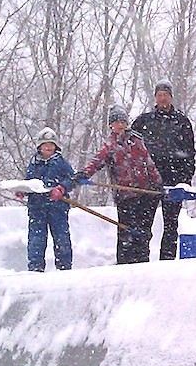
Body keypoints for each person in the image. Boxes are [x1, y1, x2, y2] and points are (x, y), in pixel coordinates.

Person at [74, 105, 163, 265]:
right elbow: (97, 162)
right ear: (111, 125)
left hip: (144, 193)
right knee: (126, 231)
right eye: (117, 122)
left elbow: (148, 162)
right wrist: (85, 174)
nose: (120, 125)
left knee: (143, 232)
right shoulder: (110, 145)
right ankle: (124, 264)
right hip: (125, 196)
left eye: (123, 121)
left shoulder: (136, 140)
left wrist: (157, 183)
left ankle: (143, 263)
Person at [131, 80, 196, 261]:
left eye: (166, 94)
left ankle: (167, 262)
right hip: (149, 182)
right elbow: (132, 151)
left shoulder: (182, 122)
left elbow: (189, 152)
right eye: (159, 95)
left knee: (171, 225)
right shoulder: (143, 121)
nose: (163, 98)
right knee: (144, 224)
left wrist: (186, 178)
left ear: (171, 97)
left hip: (174, 181)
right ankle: (141, 260)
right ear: (155, 98)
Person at [22, 127, 76, 272]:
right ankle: (35, 268)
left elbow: (73, 179)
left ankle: (64, 267)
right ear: (39, 147)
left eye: (51, 144)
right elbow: (30, 182)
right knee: (36, 240)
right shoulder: (33, 163)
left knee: (61, 238)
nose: (48, 147)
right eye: (45, 144)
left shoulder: (61, 163)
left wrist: (61, 189)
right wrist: (23, 190)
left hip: (58, 207)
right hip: (36, 208)